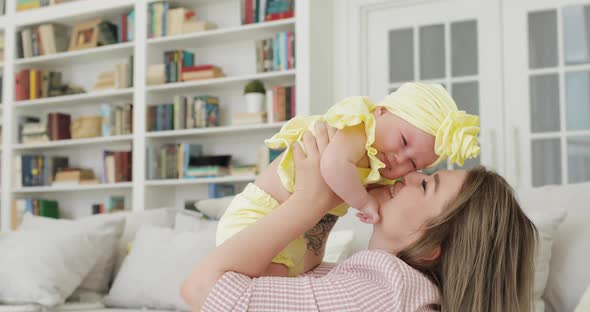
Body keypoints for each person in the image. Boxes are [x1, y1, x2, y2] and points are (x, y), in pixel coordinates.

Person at [181, 124, 537, 311]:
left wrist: (306, 202)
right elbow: (299, 272)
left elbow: (201, 291)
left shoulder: (384, 292)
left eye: (427, 184)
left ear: (432, 248)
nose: (409, 175)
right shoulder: (391, 287)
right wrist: (331, 192)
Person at [216, 82, 481, 277]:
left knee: (287, 279)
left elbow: (379, 197)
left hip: (293, 235)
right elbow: (333, 166)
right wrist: (364, 201)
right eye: (403, 141)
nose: (400, 158)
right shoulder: (358, 129)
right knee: (259, 283)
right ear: (381, 112)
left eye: (413, 163)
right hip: (259, 215)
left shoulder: (378, 164)